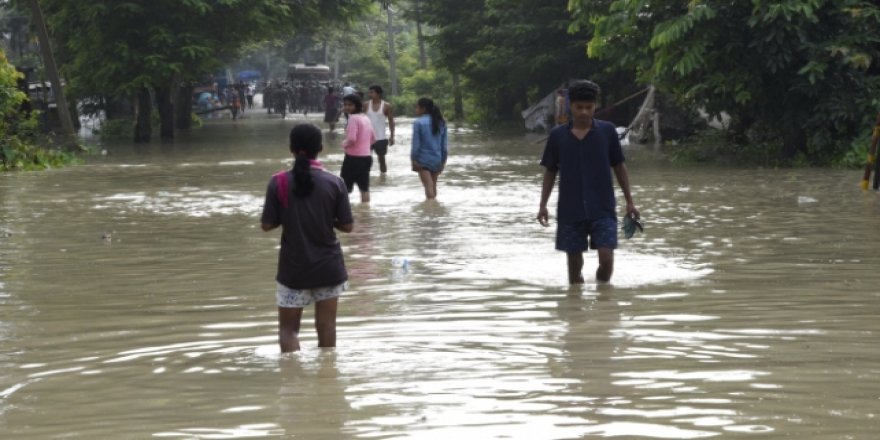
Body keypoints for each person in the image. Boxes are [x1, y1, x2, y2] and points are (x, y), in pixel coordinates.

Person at [261, 124, 354, 353]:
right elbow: (347, 226)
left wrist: (289, 215)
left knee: (289, 330)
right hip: (329, 268)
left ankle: (292, 382)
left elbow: (267, 225)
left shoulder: (279, 182)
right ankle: (327, 381)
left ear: (291, 148)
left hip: (294, 269)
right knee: (327, 328)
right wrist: (325, 219)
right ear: (320, 148)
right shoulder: (335, 182)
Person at [537, 80, 640, 284]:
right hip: (570, 210)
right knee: (574, 271)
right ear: (570, 106)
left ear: (595, 107)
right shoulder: (558, 136)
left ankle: (604, 298)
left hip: (603, 208)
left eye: (589, 107)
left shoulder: (607, 132)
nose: (584, 112)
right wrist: (542, 205)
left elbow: (619, 166)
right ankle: (577, 308)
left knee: (607, 259)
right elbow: (550, 171)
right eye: (579, 107)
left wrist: (630, 201)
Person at [340, 94, 376, 203]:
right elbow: (373, 138)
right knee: (364, 188)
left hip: (353, 158)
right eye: (345, 104)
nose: (347, 107)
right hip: (366, 158)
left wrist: (343, 144)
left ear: (357, 105)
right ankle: (365, 214)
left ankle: (343, 213)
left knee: (344, 188)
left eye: (350, 105)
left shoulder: (353, 119)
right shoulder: (365, 118)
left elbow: (351, 139)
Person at [410, 97, 448, 200]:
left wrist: (413, 159)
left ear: (423, 108)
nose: (416, 109)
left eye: (417, 107)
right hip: (437, 159)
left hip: (423, 160)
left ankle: (430, 210)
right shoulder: (441, 122)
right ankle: (435, 211)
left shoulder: (418, 123)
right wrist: (443, 161)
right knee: (433, 185)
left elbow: (416, 145)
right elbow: (444, 146)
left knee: (428, 186)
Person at [366, 85, 396, 174]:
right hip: (366, 138)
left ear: (378, 94)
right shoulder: (366, 105)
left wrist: (392, 136)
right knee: (365, 160)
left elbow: (391, 121)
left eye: (372, 92)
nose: (370, 94)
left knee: (382, 161)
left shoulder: (387, 106)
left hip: (381, 138)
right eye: (369, 92)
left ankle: (383, 179)